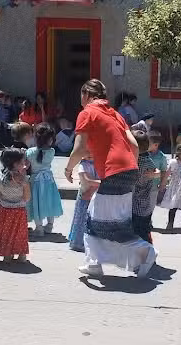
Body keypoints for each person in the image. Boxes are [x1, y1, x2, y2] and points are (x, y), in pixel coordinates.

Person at [64, 79, 157, 278]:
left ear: (86, 94)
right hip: (128, 170)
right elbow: (133, 145)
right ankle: (94, 263)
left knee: (100, 222)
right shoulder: (114, 114)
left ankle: (145, 251)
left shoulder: (87, 113)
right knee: (101, 219)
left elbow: (79, 148)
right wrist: (129, 166)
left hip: (114, 172)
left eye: (81, 95)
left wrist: (68, 168)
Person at [0, 148, 31, 263]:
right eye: (22, 162)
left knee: (4, 232)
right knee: (19, 233)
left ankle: (7, 254)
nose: (24, 165)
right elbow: (27, 197)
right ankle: (21, 254)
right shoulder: (24, 180)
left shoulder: (1, 178)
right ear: (15, 164)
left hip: (3, 209)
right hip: (19, 211)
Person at [26, 123, 64, 237]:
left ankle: (39, 228)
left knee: (36, 203)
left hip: (35, 180)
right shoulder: (52, 151)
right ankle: (49, 226)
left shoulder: (30, 152)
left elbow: (27, 165)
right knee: (49, 202)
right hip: (48, 180)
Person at [68, 156, 99, 252]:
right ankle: (78, 242)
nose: (90, 154)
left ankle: (89, 241)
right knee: (81, 219)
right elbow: (87, 180)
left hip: (94, 195)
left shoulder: (98, 163)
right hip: (84, 195)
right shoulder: (83, 165)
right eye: (87, 152)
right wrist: (102, 182)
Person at [132, 130, 157, 243]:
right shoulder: (149, 160)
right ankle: (148, 250)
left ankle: (145, 251)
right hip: (146, 204)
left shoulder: (136, 162)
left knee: (137, 234)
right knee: (145, 232)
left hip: (135, 205)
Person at [147, 130, 169, 206]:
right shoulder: (143, 154)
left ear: (156, 145)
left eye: (148, 143)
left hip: (153, 187)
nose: (145, 144)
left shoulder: (161, 157)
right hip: (141, 185)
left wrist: (162, 184)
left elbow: (164, 171)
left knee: (150, 205)